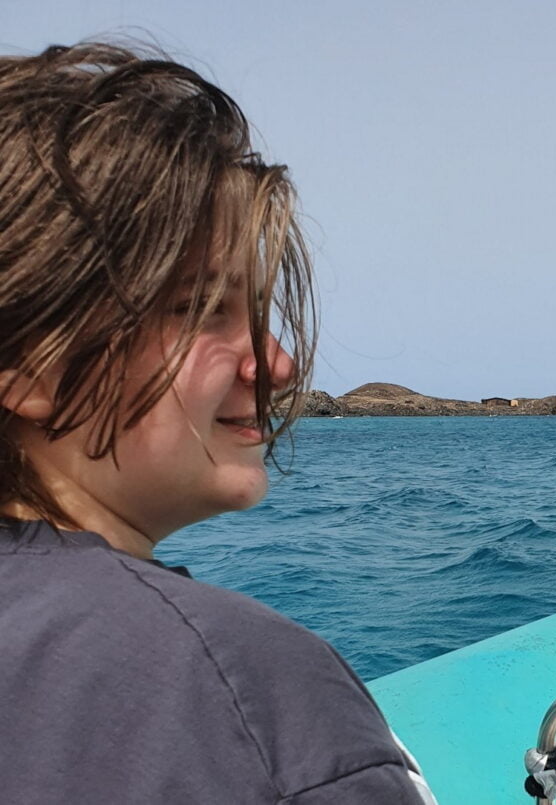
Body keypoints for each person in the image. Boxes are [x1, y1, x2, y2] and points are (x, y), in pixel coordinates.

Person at [0, 41, 435, 803]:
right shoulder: (253, 695)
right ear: (28, 364)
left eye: (259, 310)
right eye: (201, 308)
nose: (278, 365)